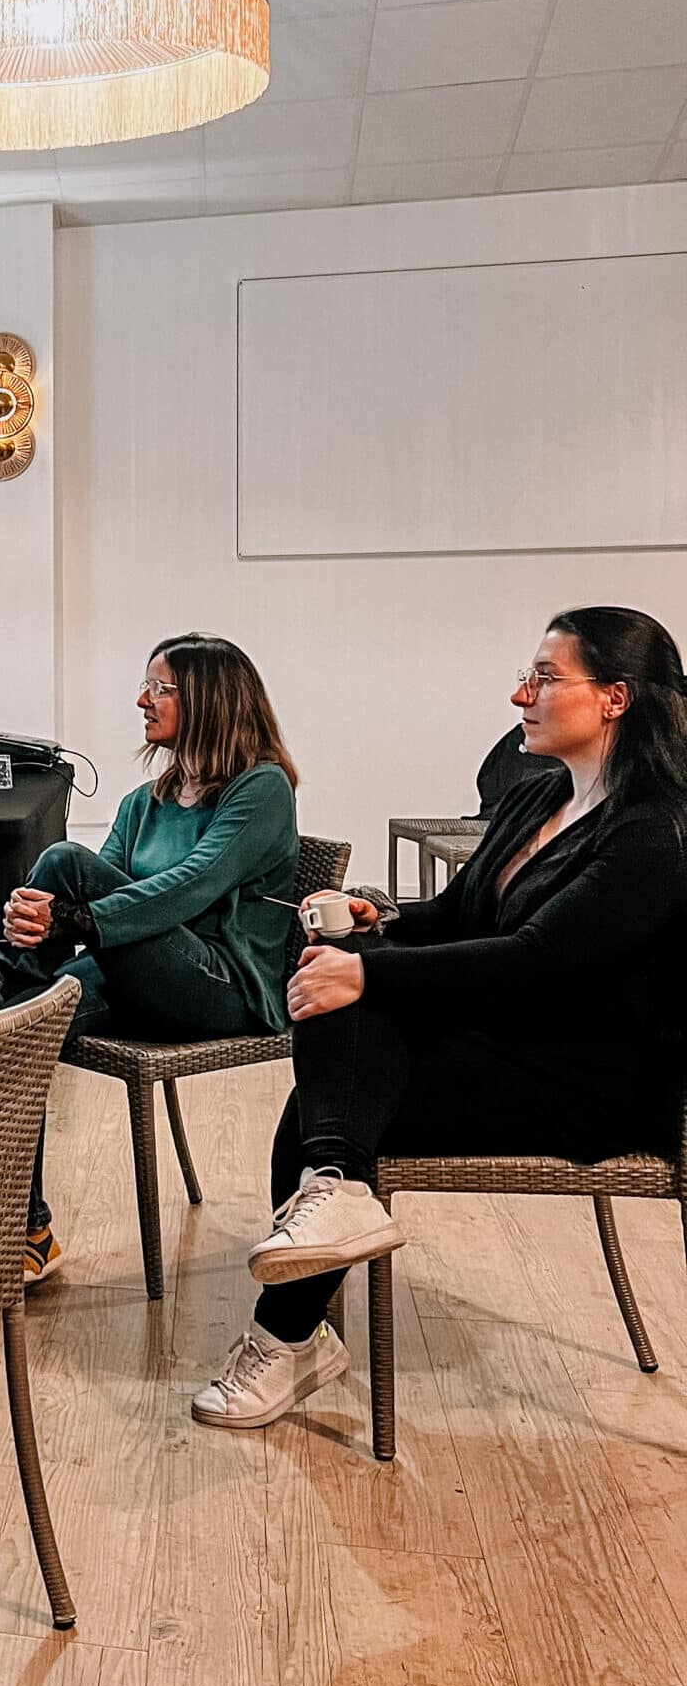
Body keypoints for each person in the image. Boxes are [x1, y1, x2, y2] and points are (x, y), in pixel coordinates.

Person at [195, 606, 687, 1430]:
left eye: (544, 678)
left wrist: (369, 970)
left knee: (339, 1056)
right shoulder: (538, 798)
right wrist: (369, 922)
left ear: (614, 698)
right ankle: (326, 1216)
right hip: (503, 1037)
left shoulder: (654, 835)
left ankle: (296, 1320)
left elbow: (534, 960)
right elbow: (460, 915)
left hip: (589, 1080)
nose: (518, 693)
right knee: (339, 997)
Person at [0, 634, 300, 1276]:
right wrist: (46, 921)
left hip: (222, 987)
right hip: (136, 975)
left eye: (160, 688)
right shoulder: (147, 802)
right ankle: (27, 1233)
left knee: (61, 861)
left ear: (210, 700)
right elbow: (104, 884)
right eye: (147, 685)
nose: (142, 699)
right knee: (14, 1032)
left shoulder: (261, 790)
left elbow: (189, 888)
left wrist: (70, 918)